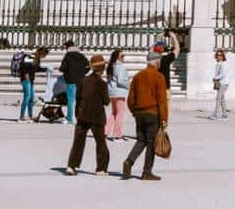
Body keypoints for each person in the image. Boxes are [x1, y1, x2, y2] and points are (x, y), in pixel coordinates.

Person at [120, 49, 169, 181]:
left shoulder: (138, 76)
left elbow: (130, 98)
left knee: (141, 140)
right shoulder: (159, 77)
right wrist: (164, 119)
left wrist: (134, 112)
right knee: (151, 143)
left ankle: (129, 161)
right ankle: (147, 172)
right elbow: (162, 101)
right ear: (157, 62)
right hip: (153, 114)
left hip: (139, 114)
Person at [67, 56, 112, 176]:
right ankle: (101, 168)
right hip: (97, 117)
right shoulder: (102, 83)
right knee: (101, 143)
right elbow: (106, 101)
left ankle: (72, 166)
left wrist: (77, 113)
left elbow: (78, 97)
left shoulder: (83, 80)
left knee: (78, 142)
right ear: (102, 68)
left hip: (83, 115)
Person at [59, 40, 87, 124]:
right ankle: (79, 117)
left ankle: (70, 118)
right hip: (81, 80)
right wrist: (83, 73)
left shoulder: (67, 56)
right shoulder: (81, 56)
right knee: (79, 99)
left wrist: (67, 73)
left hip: (71, 80)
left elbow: (62, 68)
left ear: (67, 47)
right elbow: (88, 66)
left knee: (70, 100)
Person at [106, 49, 130, 142]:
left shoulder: (111, 66)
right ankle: (117, 135)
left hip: (112, 92)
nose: (124, 58)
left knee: (114, 113)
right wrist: (128, 84)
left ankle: (105, 131)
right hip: (119, 92)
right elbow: (120, 80)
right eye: (122, 56)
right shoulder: (120, 67)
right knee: (120, 113)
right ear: (117, 57)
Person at [209, 49, 230, 121]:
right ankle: (225, 115)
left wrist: (215, 78)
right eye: (217, 55)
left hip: (223, 83)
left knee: (218, 99)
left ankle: (216, 115)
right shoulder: (219, 63)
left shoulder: (224, 64)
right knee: (221, 99)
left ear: (223, 56)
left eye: (220, 55)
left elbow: (223, 74)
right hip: (220, 83)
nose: (219, 56)